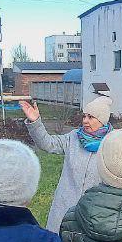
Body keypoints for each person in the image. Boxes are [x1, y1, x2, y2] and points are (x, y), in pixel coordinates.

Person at [19, 95, 112, 232]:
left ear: (102, 120)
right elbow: (47, 144)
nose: (85, 121)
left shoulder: (113, 143)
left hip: (96, 211)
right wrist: (35, 122)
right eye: (84, 116)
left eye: (90, 117)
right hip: (65, 208)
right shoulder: (74, 137)